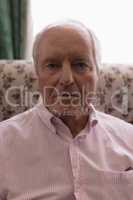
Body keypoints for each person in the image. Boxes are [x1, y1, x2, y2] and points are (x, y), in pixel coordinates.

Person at [0, 20, 133, 200]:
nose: (66, 79)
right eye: (52, 65)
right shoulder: (3, 143)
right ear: (37, 74)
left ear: (97, 72)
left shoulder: (129, 139)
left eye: (80, 64)